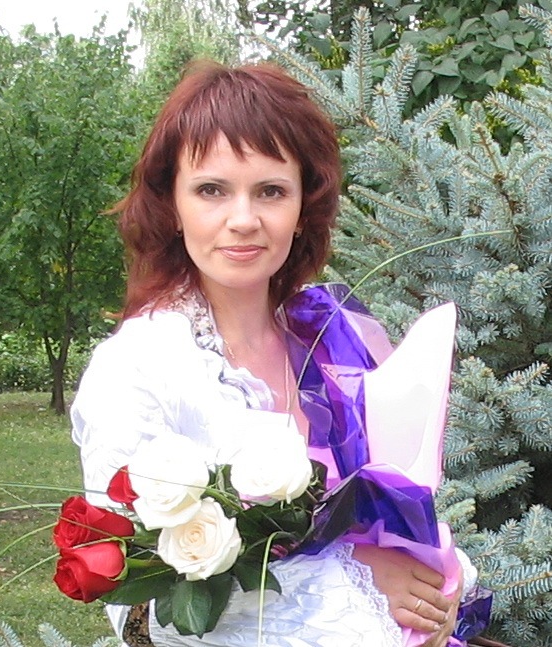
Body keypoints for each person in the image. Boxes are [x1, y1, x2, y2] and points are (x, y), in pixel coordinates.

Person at [70, 61, 476, 647]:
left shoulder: (332, 336)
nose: (243, 220)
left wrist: (435, 583)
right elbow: (140, 611)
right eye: (211, 190)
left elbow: (391, 504)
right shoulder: (138, 369)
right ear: (171, 204)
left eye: (271, 191)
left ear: (303, 208)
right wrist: (359, 582)